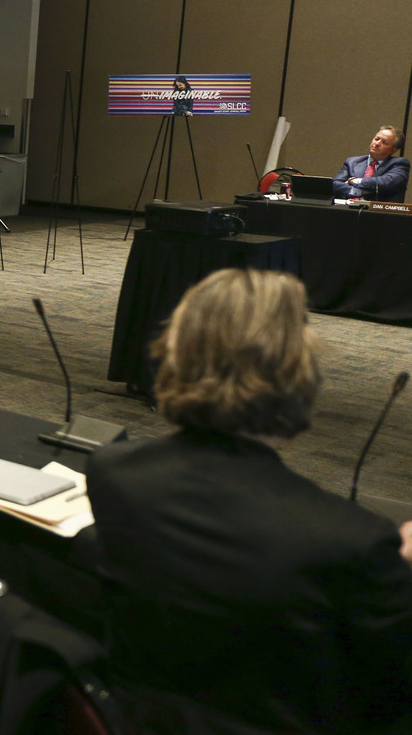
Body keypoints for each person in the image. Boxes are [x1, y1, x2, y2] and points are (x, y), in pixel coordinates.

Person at [87, 268, 412, 733]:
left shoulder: (113, 472)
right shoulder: (353, 542)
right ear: (298, 369)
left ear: (176, 353)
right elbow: (390, 687)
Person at [332, 125, 409, 202]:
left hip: (378, 212)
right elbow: (334, 185)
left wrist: (353, 181)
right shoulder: (352, 162)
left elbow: (386, 182)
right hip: (346, 210)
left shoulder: (399, 164)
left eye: (384, 142)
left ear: (394, 150)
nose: (377, 143)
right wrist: (358, 191)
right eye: (376, 139)